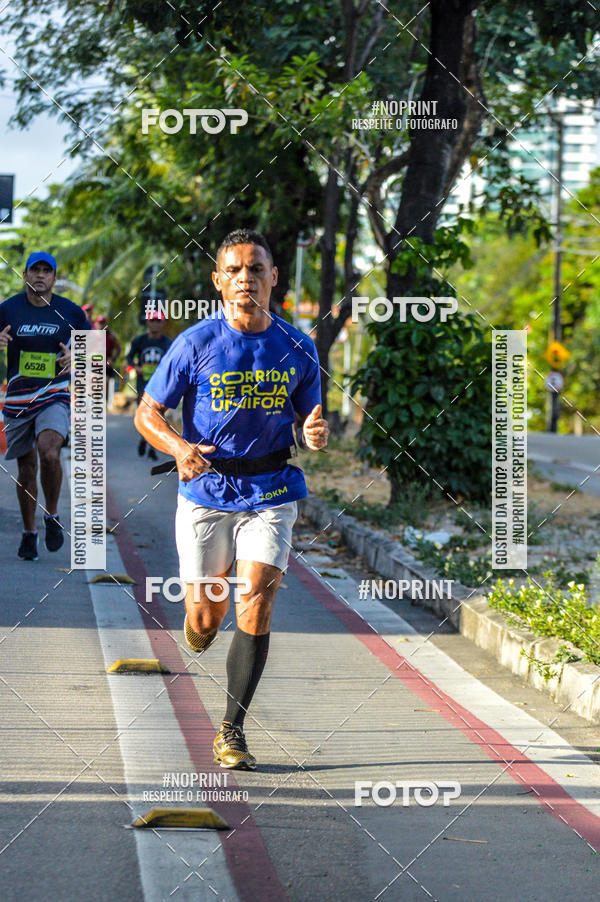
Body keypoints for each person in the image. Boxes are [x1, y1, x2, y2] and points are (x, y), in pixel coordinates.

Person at [134, 229, 329, 770]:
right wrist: (177, 447)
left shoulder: (298, 346)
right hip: (206, 491)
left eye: (257, 268)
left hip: (271, 490)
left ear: (274, 278)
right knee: (206, 613)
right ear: (219, 281)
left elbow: (307, 418)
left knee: (259, 596)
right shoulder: (194, 343)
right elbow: (146, 414)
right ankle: (199, 626)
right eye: (236, 270)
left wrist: (312, 432)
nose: (247, 278)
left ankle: (232, 728)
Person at [0, 251, 89, 560]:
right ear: (25, 275)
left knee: (49, 453)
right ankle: (29, 532)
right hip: (18, 400)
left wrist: (74, 358)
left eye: (45, 271)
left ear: (54, 277)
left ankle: (51, 516)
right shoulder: (7, 309)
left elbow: (93, 354)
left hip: (54, 395)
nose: (39, 275)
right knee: (26, 469)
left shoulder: (72, 312)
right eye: (34, 270)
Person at [126, 310, 172, 460]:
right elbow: (129, 358)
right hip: (143, 384)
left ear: (163, 322)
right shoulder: (139, 341)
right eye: (153, 320)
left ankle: (150, 444)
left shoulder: (167, 343)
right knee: (145, 412)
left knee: (158, 414)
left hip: (161, 384)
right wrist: (135, 368)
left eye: (158, 321)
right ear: (147, 322)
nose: (155, 324)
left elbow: (174, 362)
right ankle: (145, 440)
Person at [95, 314, 122, 400]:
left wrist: (112, 359)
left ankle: (102, 402)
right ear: (96, 324)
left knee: (105, 382)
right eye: (99, 323)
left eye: (103, 323)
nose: (101, 325)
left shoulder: (111, 336)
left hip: (106, 367)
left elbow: (118, 348)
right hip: (92, 366)